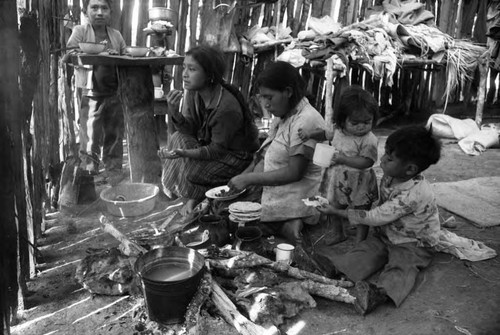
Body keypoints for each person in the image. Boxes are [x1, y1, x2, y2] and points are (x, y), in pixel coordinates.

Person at [315, 125, 442, 315]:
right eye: (385, 154)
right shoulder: (391, 177)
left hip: (414, 243)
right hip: (388, 234)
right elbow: (380, 211)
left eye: (389, 158)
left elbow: (375, 217)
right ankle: (332, 268)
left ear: (410, 169)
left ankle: (380, 294)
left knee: (402, 266)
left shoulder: (413, 194)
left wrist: (336, 211)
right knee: (366, 251)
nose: (381, 159)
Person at [228, 61, 326, 246]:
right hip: (276, 190)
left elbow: (294, 172)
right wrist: (244, 176)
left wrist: (249, 180)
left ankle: (288, 223)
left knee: (235, 224)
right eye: (262, 97)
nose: (265, 104)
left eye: (269, 97)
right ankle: (285, 223)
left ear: (288, 92)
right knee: (223, 208)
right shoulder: (284, 117)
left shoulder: (306, 121)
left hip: (296, 196)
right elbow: (264, 156)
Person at [160, 45, 259, 216]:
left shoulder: (226, 108)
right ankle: (187, 195)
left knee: (191, 172)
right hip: (211, 147)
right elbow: (189, 130)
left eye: (192, 69)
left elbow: (216, 151)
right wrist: (174, 112)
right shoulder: (194, 92)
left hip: (235, 157)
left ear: (209, 75)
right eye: (184, 67)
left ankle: (194, 197)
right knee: (177, 137)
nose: (184, 74)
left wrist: (184, 154)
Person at [298, 85, 379, 245]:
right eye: (355, 122)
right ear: (342, 120)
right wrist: (310, 134)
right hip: (337, 179)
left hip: (359, 182)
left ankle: (360, 240)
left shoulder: (368, 140)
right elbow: (324, 133)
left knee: (360, 211)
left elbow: (367, 162)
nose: (361, 126)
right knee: (333, 207)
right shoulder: (338, 130)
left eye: (367, 122)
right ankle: (338, 232)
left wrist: (343, 159)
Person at [66, 0, 126, 178]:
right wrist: (91, 53)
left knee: (114, 135)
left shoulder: (116, 35)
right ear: (86, 12)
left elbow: (126, 57)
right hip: (91, 93)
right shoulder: (80, 31)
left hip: (115, 92)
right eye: (94, 8)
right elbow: (69, 53)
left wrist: (119, 55)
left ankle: (114, 173)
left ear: (110, 12)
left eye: (104, 8)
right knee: (90, 137)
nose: (100, 12)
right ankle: (88, 174)